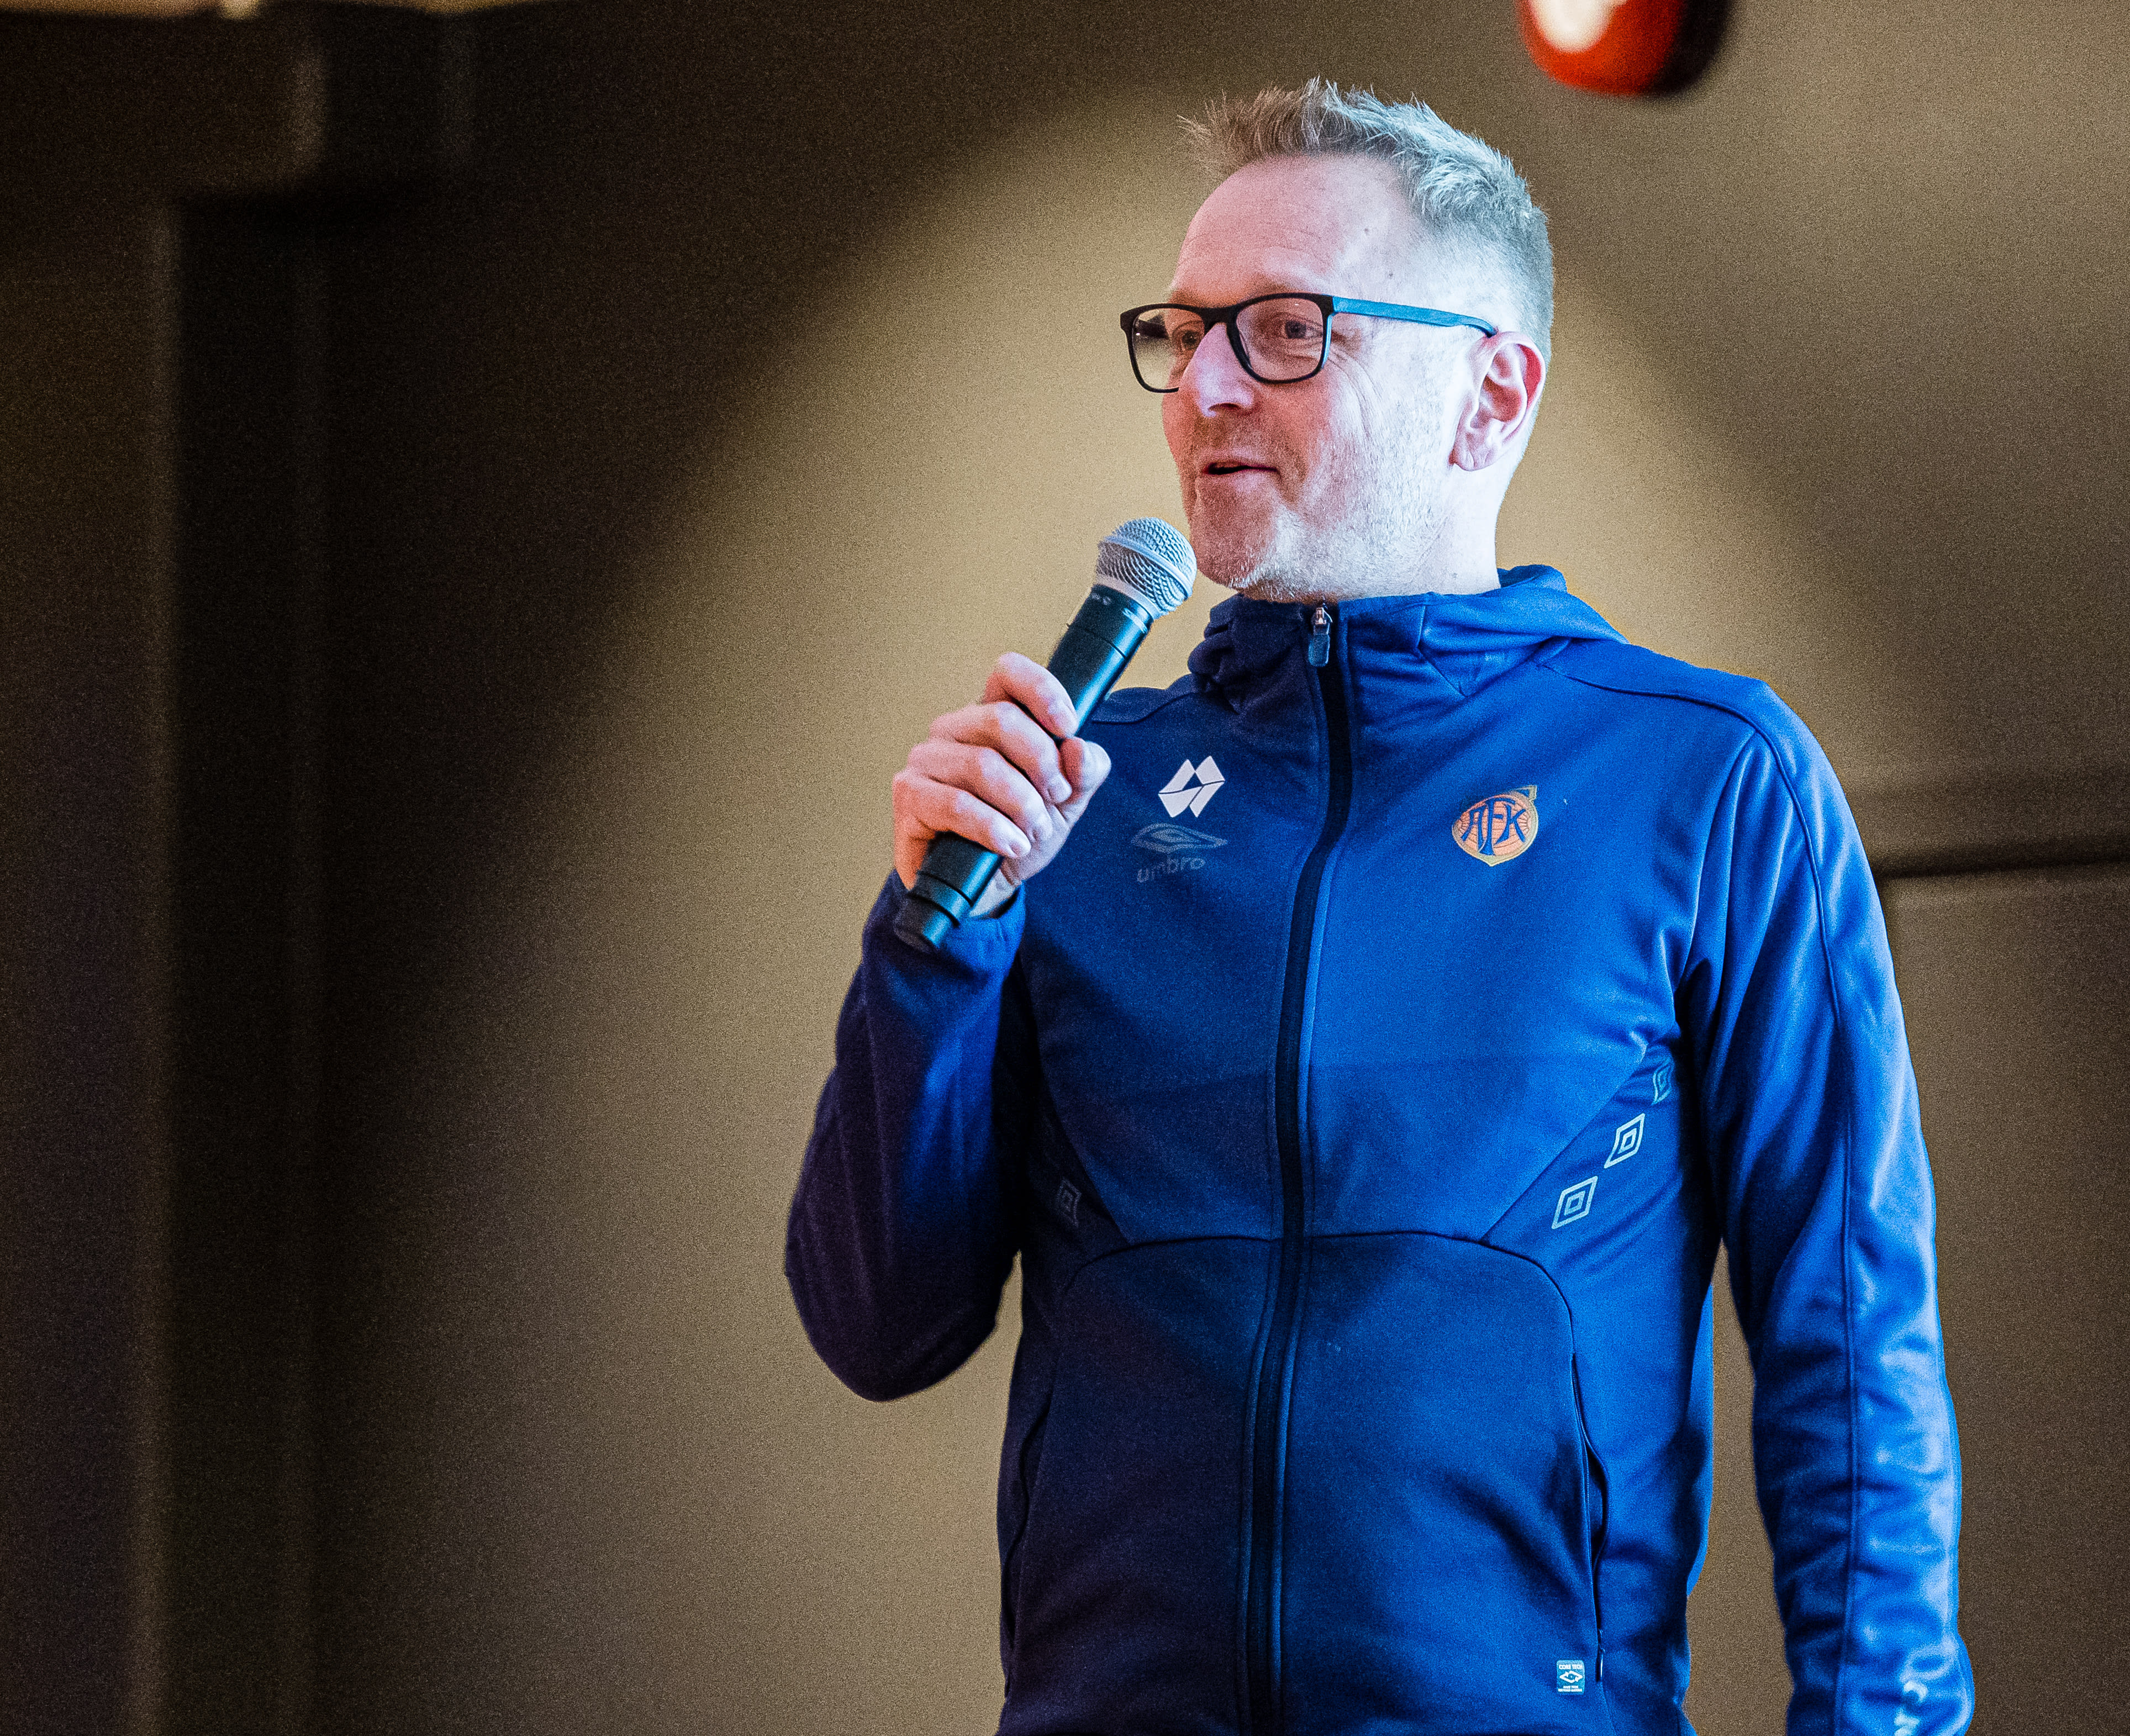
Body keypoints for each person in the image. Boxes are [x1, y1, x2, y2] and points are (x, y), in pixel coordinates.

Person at [787, 80, 1971, 1736]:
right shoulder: (1074, 796)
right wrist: (935, 946)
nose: (1205, 388)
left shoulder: (1702, 777)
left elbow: (1852, 1351)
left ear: (1489, 395)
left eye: (1285, 332)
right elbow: (876, 1325)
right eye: (1181, 334)